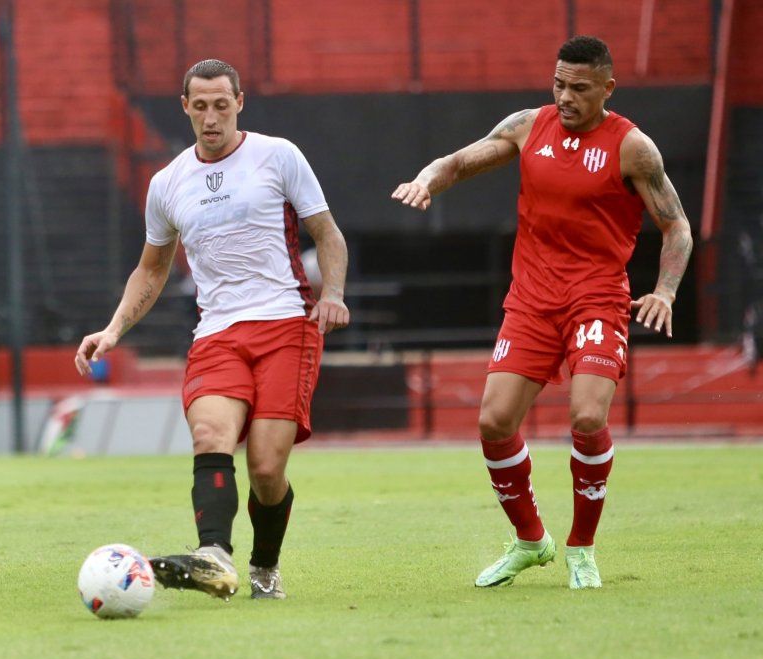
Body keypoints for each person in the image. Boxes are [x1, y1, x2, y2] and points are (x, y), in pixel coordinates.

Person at [391, 36, 692, 589]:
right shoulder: (530, 125)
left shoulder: (633, 148)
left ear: (607, 87)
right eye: (559, 84)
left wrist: (666, 290)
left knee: (587, 417)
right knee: (493, 421)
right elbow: (458, 161)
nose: (566, 96)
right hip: (532, 299)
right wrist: (426, 181)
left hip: (597, 297)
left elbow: (676, 225)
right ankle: (532, 541)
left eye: (579, 88)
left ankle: (581, 548)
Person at [74, 59, 350, 600]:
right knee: (209, 436)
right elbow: (151, 268)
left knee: (267, 470)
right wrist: (112, 330)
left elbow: (328, 233)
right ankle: (214, 557)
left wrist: (333, 295)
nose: (211, 117)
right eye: (200, 106)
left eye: (221, 105)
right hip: (218, 332)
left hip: (285, 325)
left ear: (239, 102)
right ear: (185, 107)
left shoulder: (279, 155)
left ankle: (263, 566)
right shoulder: (167, 182)